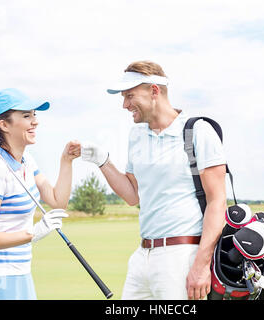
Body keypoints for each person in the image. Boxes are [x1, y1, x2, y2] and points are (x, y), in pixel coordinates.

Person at [81, 61, 227, 300]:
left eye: (130, 96)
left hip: (182, 256)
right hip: (142, 256)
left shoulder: (198, 131)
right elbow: (132, 195)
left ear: (154, 91)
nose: (125, 105)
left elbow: (217, 202)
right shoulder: (136, 135)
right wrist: (102, 161)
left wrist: (201, 266)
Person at [0, 88, 81, 300]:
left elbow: (57, 201)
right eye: (26, 116)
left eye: (34, 115)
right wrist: (33, 234)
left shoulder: (27, 162)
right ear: (4, 125)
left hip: (20, 274)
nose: (35, 121)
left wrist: (66, 161)